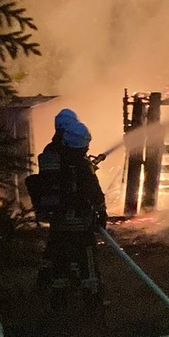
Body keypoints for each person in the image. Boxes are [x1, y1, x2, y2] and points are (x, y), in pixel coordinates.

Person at [36, 118, 108, 306]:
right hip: (79, 220)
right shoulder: (81, 166)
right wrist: (102, 212)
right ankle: (92, 297)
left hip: (58, 221)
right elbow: (94, 191)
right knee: (87, 257)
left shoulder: (53, 158)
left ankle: (58, 297)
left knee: (60, 257)